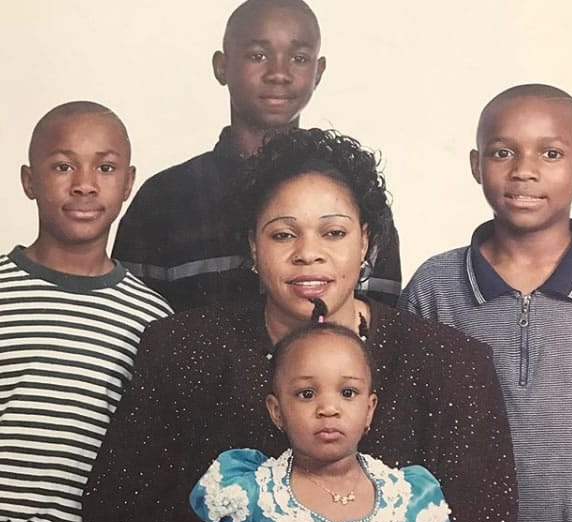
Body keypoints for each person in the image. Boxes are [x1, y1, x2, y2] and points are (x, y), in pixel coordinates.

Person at [81, 128, 517, 522]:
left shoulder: (448, 364)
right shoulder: (183, 349)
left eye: (333, 232)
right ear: (252, 246)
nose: (308, 254)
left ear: (366, 242)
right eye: (283, 234)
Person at [398, 83, 572, 522]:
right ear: (476, 164)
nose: (524, 170)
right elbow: (402, 433)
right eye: (503, 152)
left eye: (551, 153)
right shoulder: (434, 287)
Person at [111, 0, 401, 312]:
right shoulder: (162, 199)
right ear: (221, 66)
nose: (279, 73)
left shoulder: (354, 198)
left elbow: (379, 326)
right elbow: (132, 318)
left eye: (300, 58)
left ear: (318, 72)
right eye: (258, 55)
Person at [0, 101, 173, 522]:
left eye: (105, 166)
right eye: (62, 166)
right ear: (29, 180)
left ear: (128, 182)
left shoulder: (152, 319)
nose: (84, 183)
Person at [185, 321, 478, 522]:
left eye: (348, 393)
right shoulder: (257, 490)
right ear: (277, 412)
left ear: (369, 409)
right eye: (307, 394)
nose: (329, 408)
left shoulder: (398, 496)